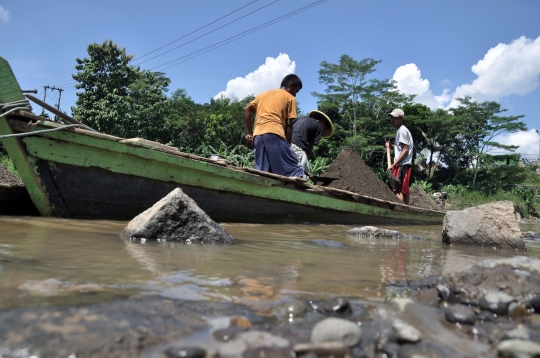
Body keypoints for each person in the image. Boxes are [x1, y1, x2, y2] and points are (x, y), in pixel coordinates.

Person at [243, 74, 305, 178]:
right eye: (296, 91)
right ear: (291, 85)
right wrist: (288, 146)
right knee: (294, 170)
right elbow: (289, 125)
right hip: (275, 134)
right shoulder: (290, 98)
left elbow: (246, 109)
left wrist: (250, 132)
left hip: (258, 136)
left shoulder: (261, 95)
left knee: (262, 173)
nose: (295, 95)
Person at [291, 110, 334, 175]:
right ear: (323, 122)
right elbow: (310, 145)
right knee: (302, 174)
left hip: (285, 144)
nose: (323, 129)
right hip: (297, 147)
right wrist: (307, 158)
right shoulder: (319, 126)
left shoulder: (301, 118)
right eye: (325, 126)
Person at [388, 108, 414, 205]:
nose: (392, 119)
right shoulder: (402, 130)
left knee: (398, 190)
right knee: (404, 190)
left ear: (401, 118)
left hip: (402, 165)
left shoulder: (402, 130)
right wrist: (392, 147)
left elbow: (405, 150)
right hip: (405, 165)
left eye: (394, 117)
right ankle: (406, 211)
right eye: (391, 117)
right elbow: (402, 147)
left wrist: (394, 164)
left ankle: (400, 211)